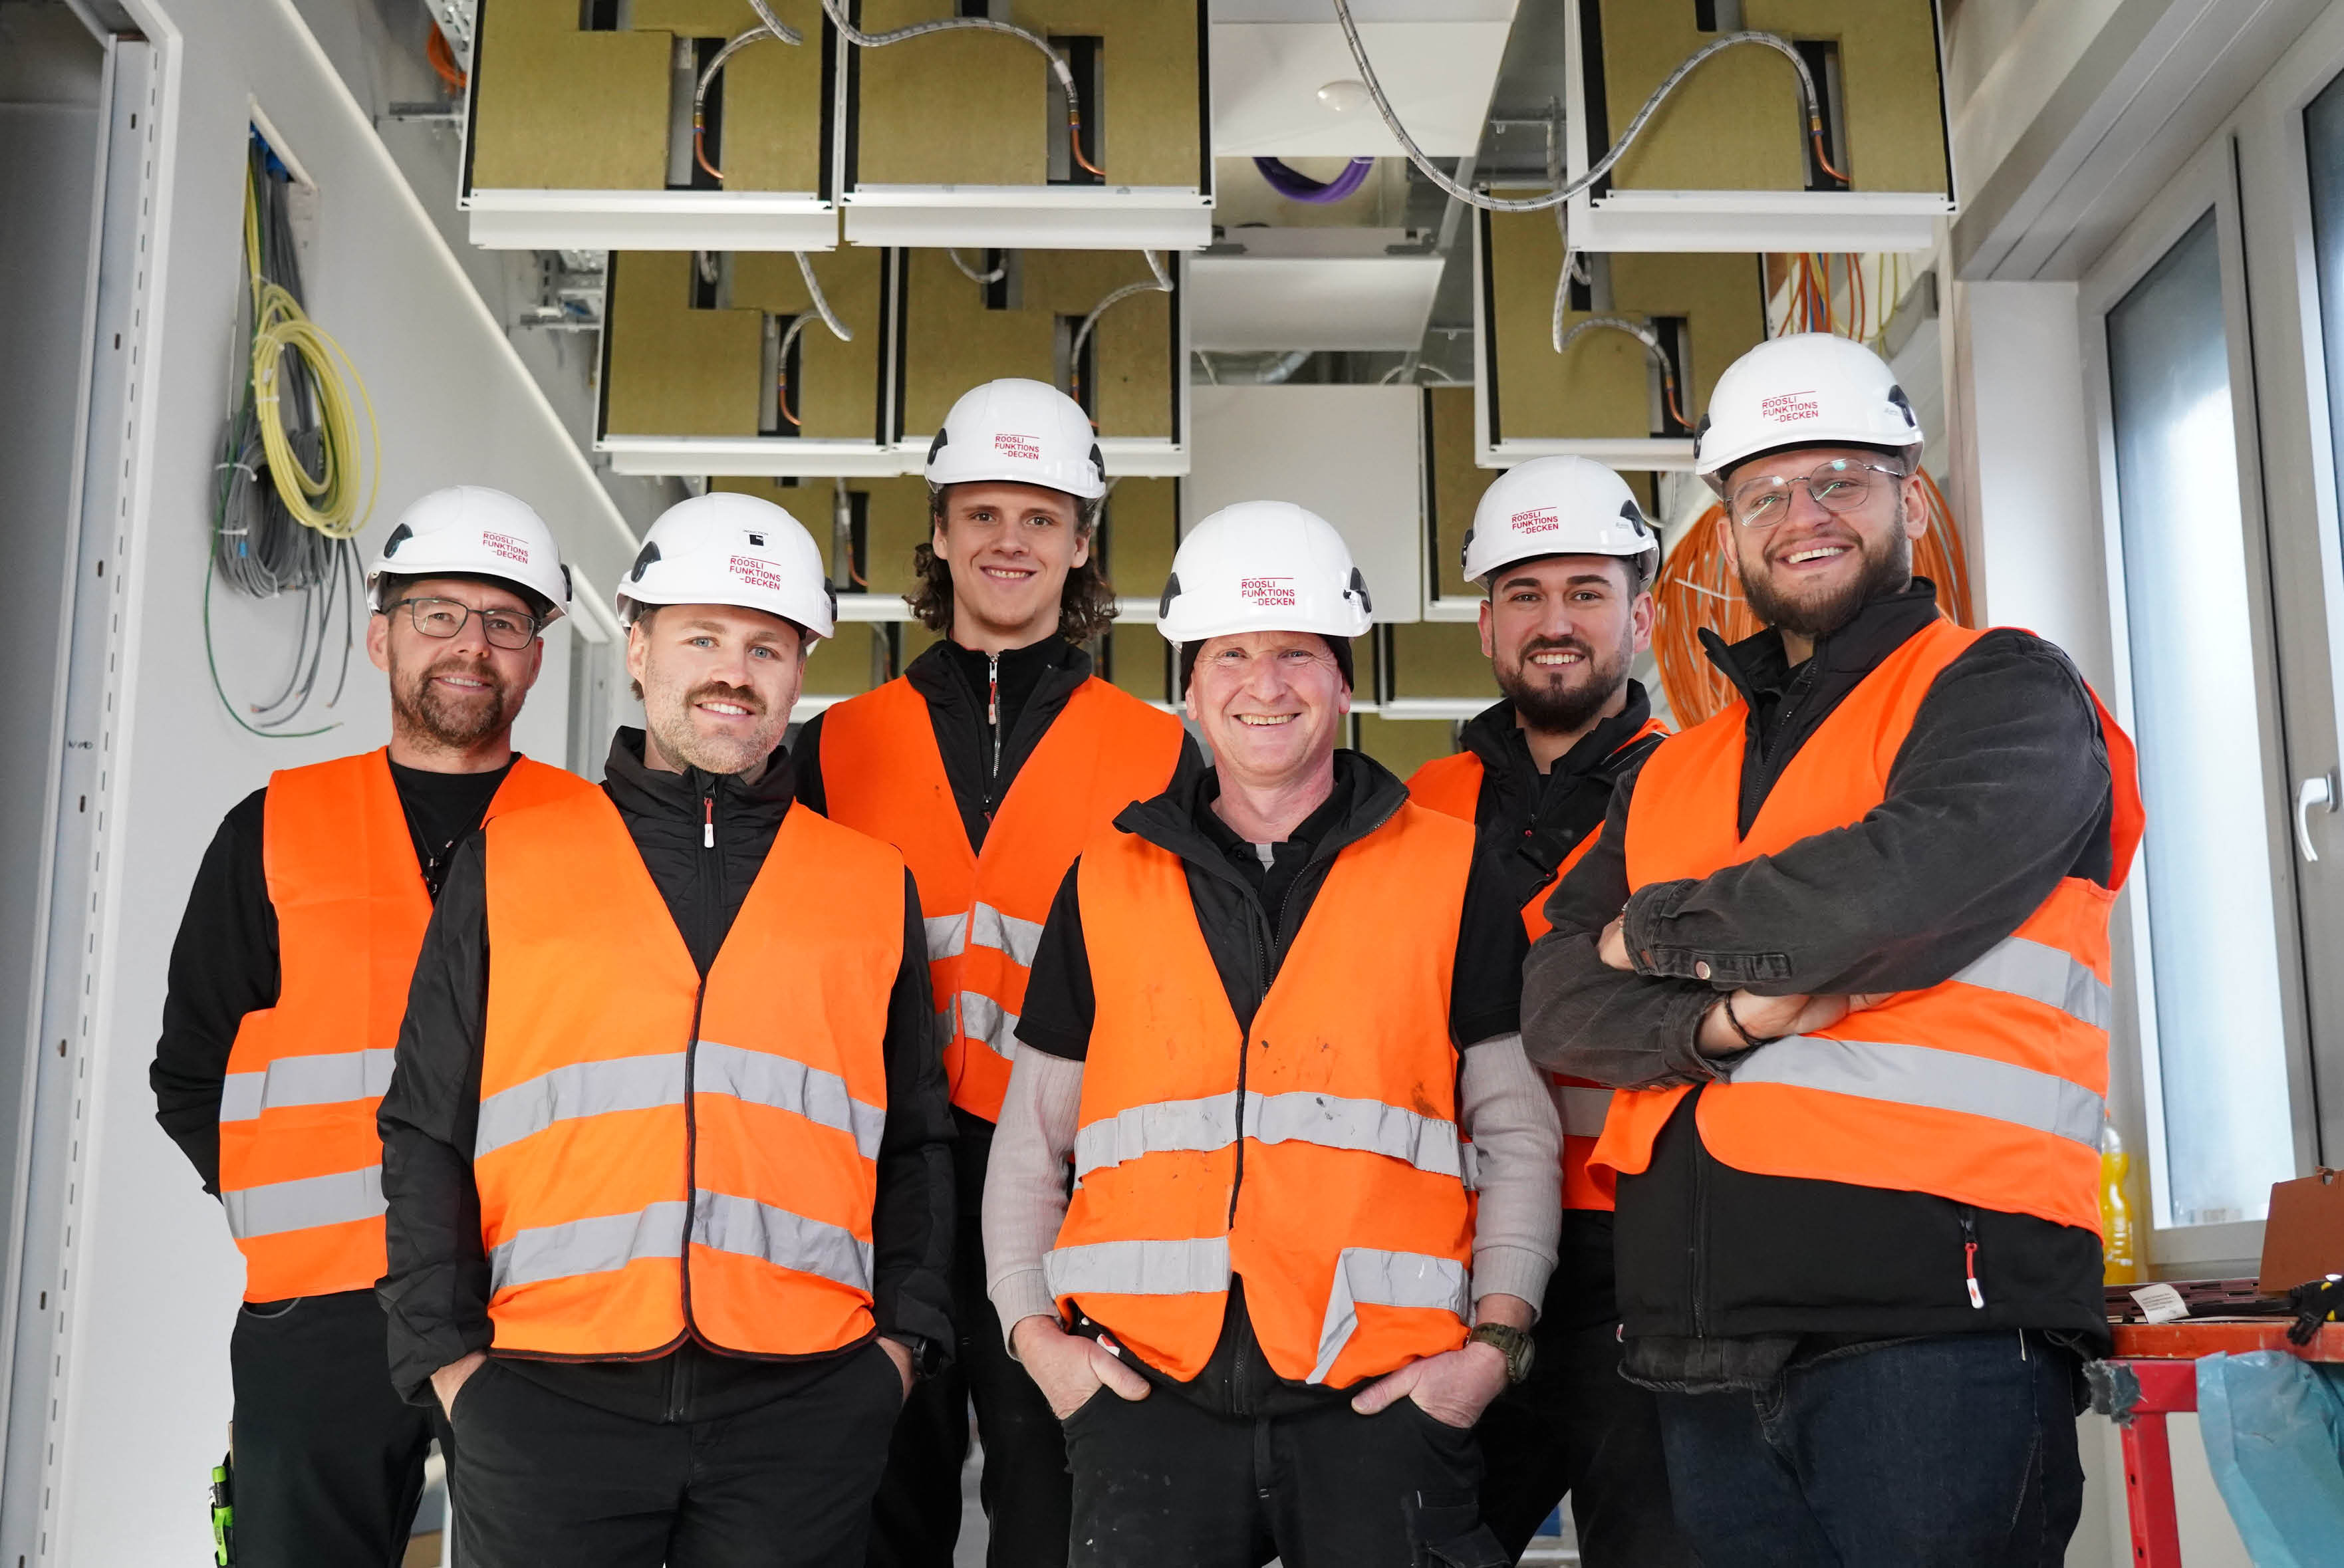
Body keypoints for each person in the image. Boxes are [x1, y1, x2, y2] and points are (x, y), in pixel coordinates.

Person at [1521, 332, 2145, 1567]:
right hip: (1703, 1344)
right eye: (1763, 492)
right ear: (1728, 529)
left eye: (1838, 480)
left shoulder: (2001, 688)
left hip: (1936, 1327)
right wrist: (1723, 1020)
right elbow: (1555, 996)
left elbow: (1896, 891)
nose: (1800, 515)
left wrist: (1652, 929)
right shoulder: (1674, 772)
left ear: (1908, 495)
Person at [376, 493, 956, 1568]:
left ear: (797, 673)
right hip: (546, 1394)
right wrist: (448, 1363)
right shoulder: (511, 862)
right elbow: (424, 1127)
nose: (733, 670)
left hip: (802, 1405)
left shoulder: (871, 886)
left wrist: (897, 1354)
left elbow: (918, 1140)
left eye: (766, 646)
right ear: (637, 648)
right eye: (701, 637)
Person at [984, 501, 1564, 1568]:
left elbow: (1519, 1131)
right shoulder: (1105, 877)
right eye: (1231, 655)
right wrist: (1036, 1340)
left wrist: (1490, 1349)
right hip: (1142, 1397)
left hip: (1383, 1404)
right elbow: (1032, 1138)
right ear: (1189, 687)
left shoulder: (1449, 868)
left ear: (1342, 681)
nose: (1265, 684)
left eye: (1296, 653)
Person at [793, 378, 1198, 1568]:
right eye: (981, 514)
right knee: (881, 1471)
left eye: (1039, 516)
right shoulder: (831, 745)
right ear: (938, 531)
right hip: (877, 1171)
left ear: (1081, 541)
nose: (1007, 542)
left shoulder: (1164, 751)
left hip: (1072, 1167)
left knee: (1055, 1474)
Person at [152, 487, 590, 1567]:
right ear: (379, 633)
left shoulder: (599, 839)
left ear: (537, 657)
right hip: (321, 1304)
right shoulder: (272, 828)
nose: (469, 646)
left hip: (537, 1302)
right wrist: (285, 1205)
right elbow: (191, 1071)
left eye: (504, 622)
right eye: (438, 613)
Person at [1404, 456, 1694, 1567]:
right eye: (1524, 593)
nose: (1555, 621)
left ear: (1642, 615)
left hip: (1654, 1251)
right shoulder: (1415, 808)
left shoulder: (1703, 786)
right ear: (1485, 624)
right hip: (1462, 1259)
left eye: (1586, 590)